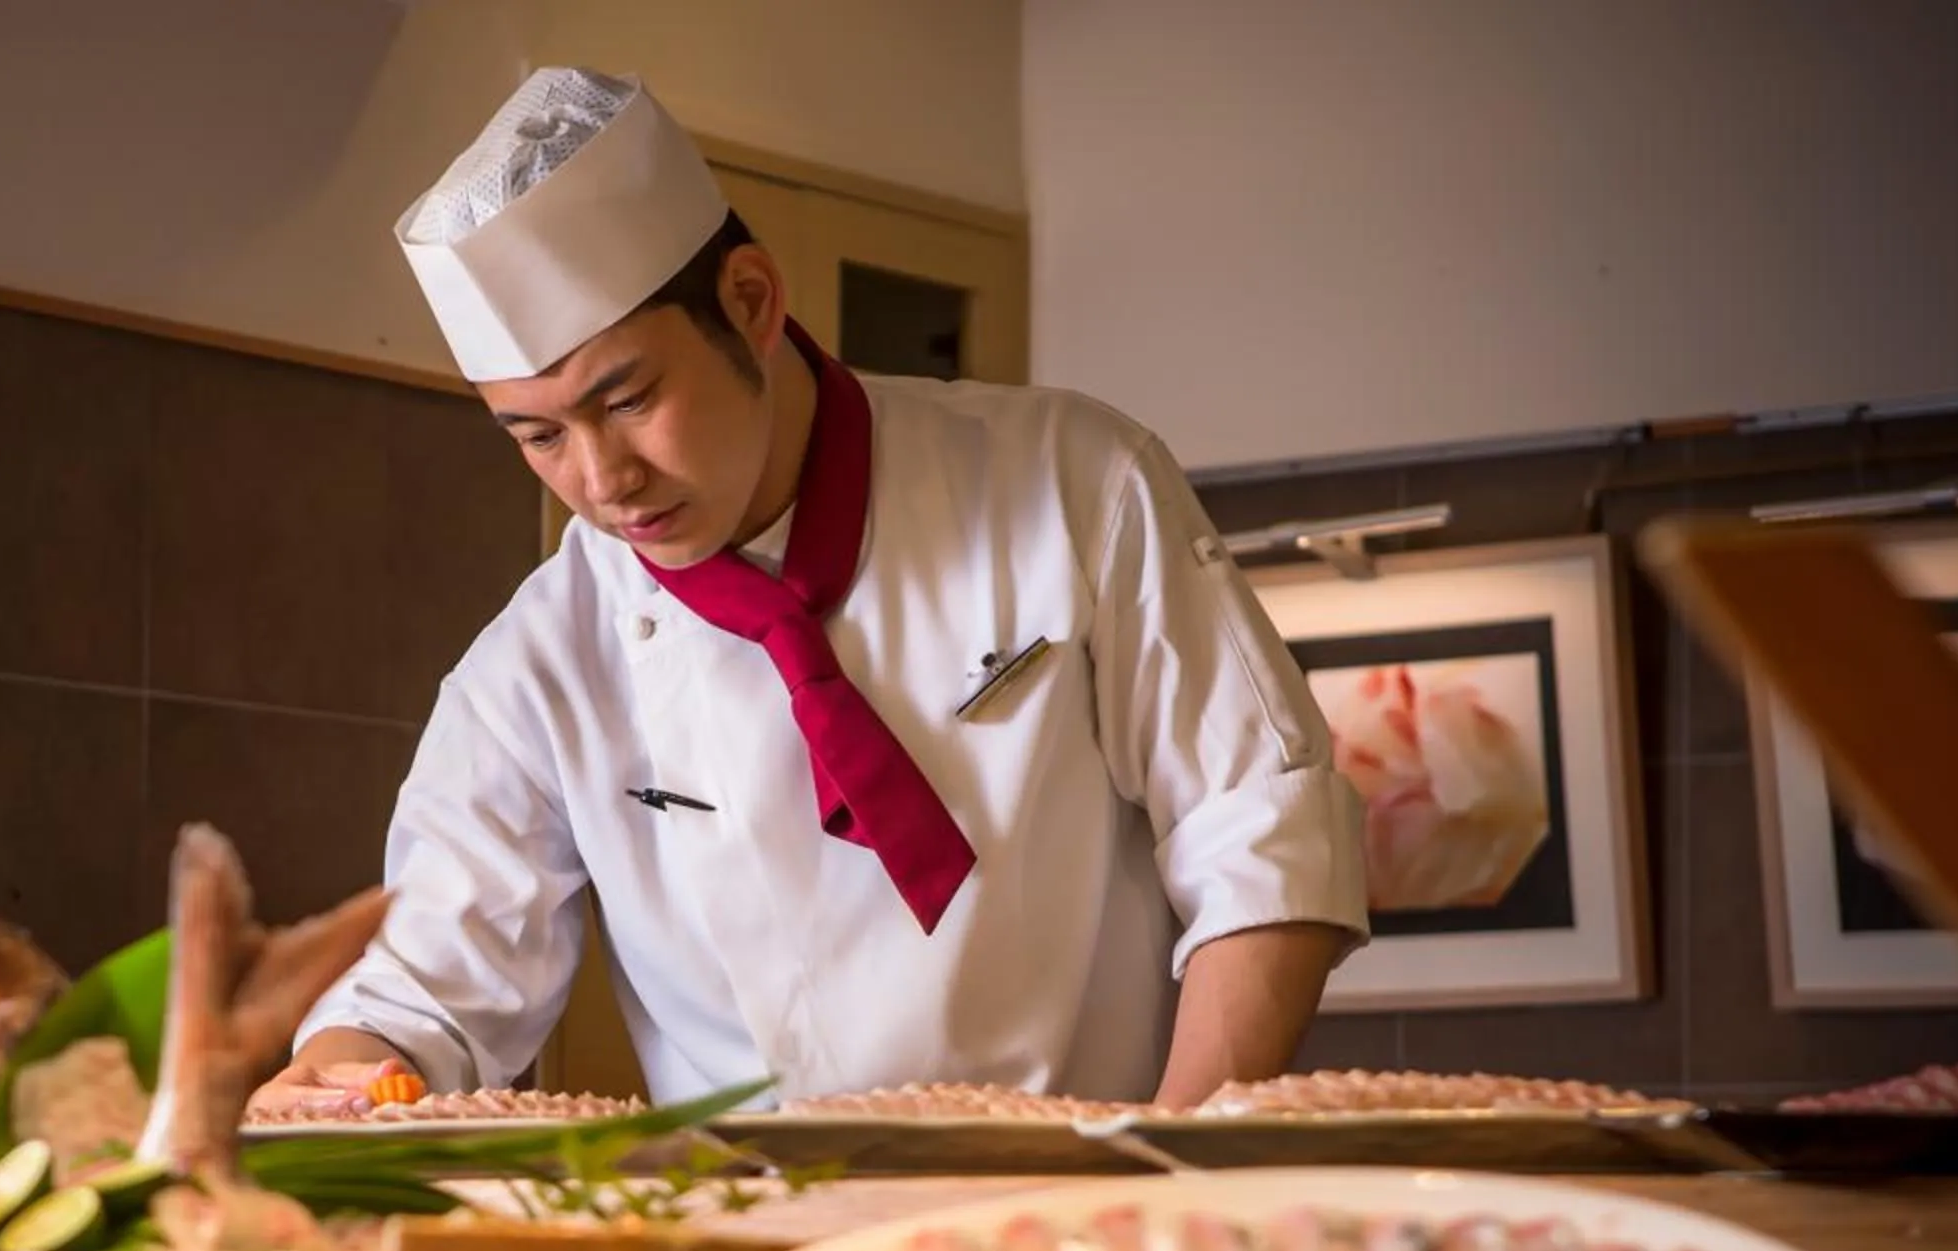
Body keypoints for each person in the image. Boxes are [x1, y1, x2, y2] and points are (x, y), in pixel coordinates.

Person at [248, 69, 1367, 1120]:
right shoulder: (538, 666)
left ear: (750, 300)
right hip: (761, 1240)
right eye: (539, 436)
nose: (601, 480)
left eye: (629, 399)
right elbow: (424, 991)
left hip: (1096, 1204)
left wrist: (1178, 1162)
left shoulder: (1073, 480)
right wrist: (335, 1079)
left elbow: (1261, 835)